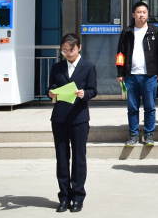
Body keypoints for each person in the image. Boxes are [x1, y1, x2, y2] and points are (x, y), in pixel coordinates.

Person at [49, 33, 97, 213]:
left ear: (79, 48)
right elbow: (51, 86)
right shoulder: (57, 67)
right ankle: (64, 196)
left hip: (79, 118)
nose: (68, 54)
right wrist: (51, 93)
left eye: (71, 50)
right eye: (64, 50)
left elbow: (93, 90)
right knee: (62, 158)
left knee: (78, 158)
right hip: (60, 118)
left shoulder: (88, 67)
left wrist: (85, 94)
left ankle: (78, 196)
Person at [116, 1, 158, 147]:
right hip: (131, 75)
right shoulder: (127, 32)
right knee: (132, 107)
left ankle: (149, 135)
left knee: (150, 107)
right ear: (133, 14)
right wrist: (120, 72)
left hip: (149, 76)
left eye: (144, 12)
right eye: (138, 12)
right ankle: (133, 135)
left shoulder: (155, 31)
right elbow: (120, 53)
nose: (141, 15)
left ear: (147, 14)